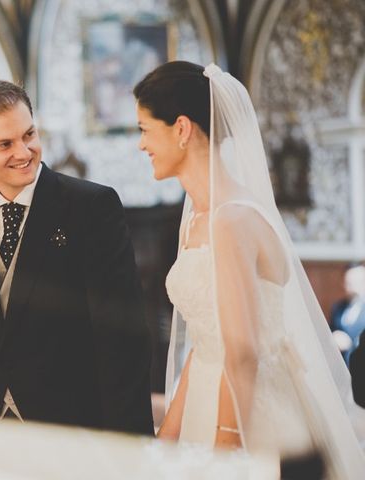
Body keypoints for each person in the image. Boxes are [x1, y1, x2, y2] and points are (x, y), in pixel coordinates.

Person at [133, 61, 365, 478]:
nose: (141, 144)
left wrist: (227, 447)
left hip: (251, 414)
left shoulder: (232, 219)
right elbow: (206, 343)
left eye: (145, 129)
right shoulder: (198, 221)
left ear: (182, 128)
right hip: (207, 395)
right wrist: (169, 432)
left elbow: (242, 352)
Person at [0, 80, 153, 435]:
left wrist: (129, 446)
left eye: (29, 134)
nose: (24, 152)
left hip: (74, 426)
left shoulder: (91, 207)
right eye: (5, 144)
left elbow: (121, 337)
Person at [330, 264, 365, 363]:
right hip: (340, 366)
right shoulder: (338, 308)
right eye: (349, 282)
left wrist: (350, 344)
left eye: (357, 282)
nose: (352, 287)